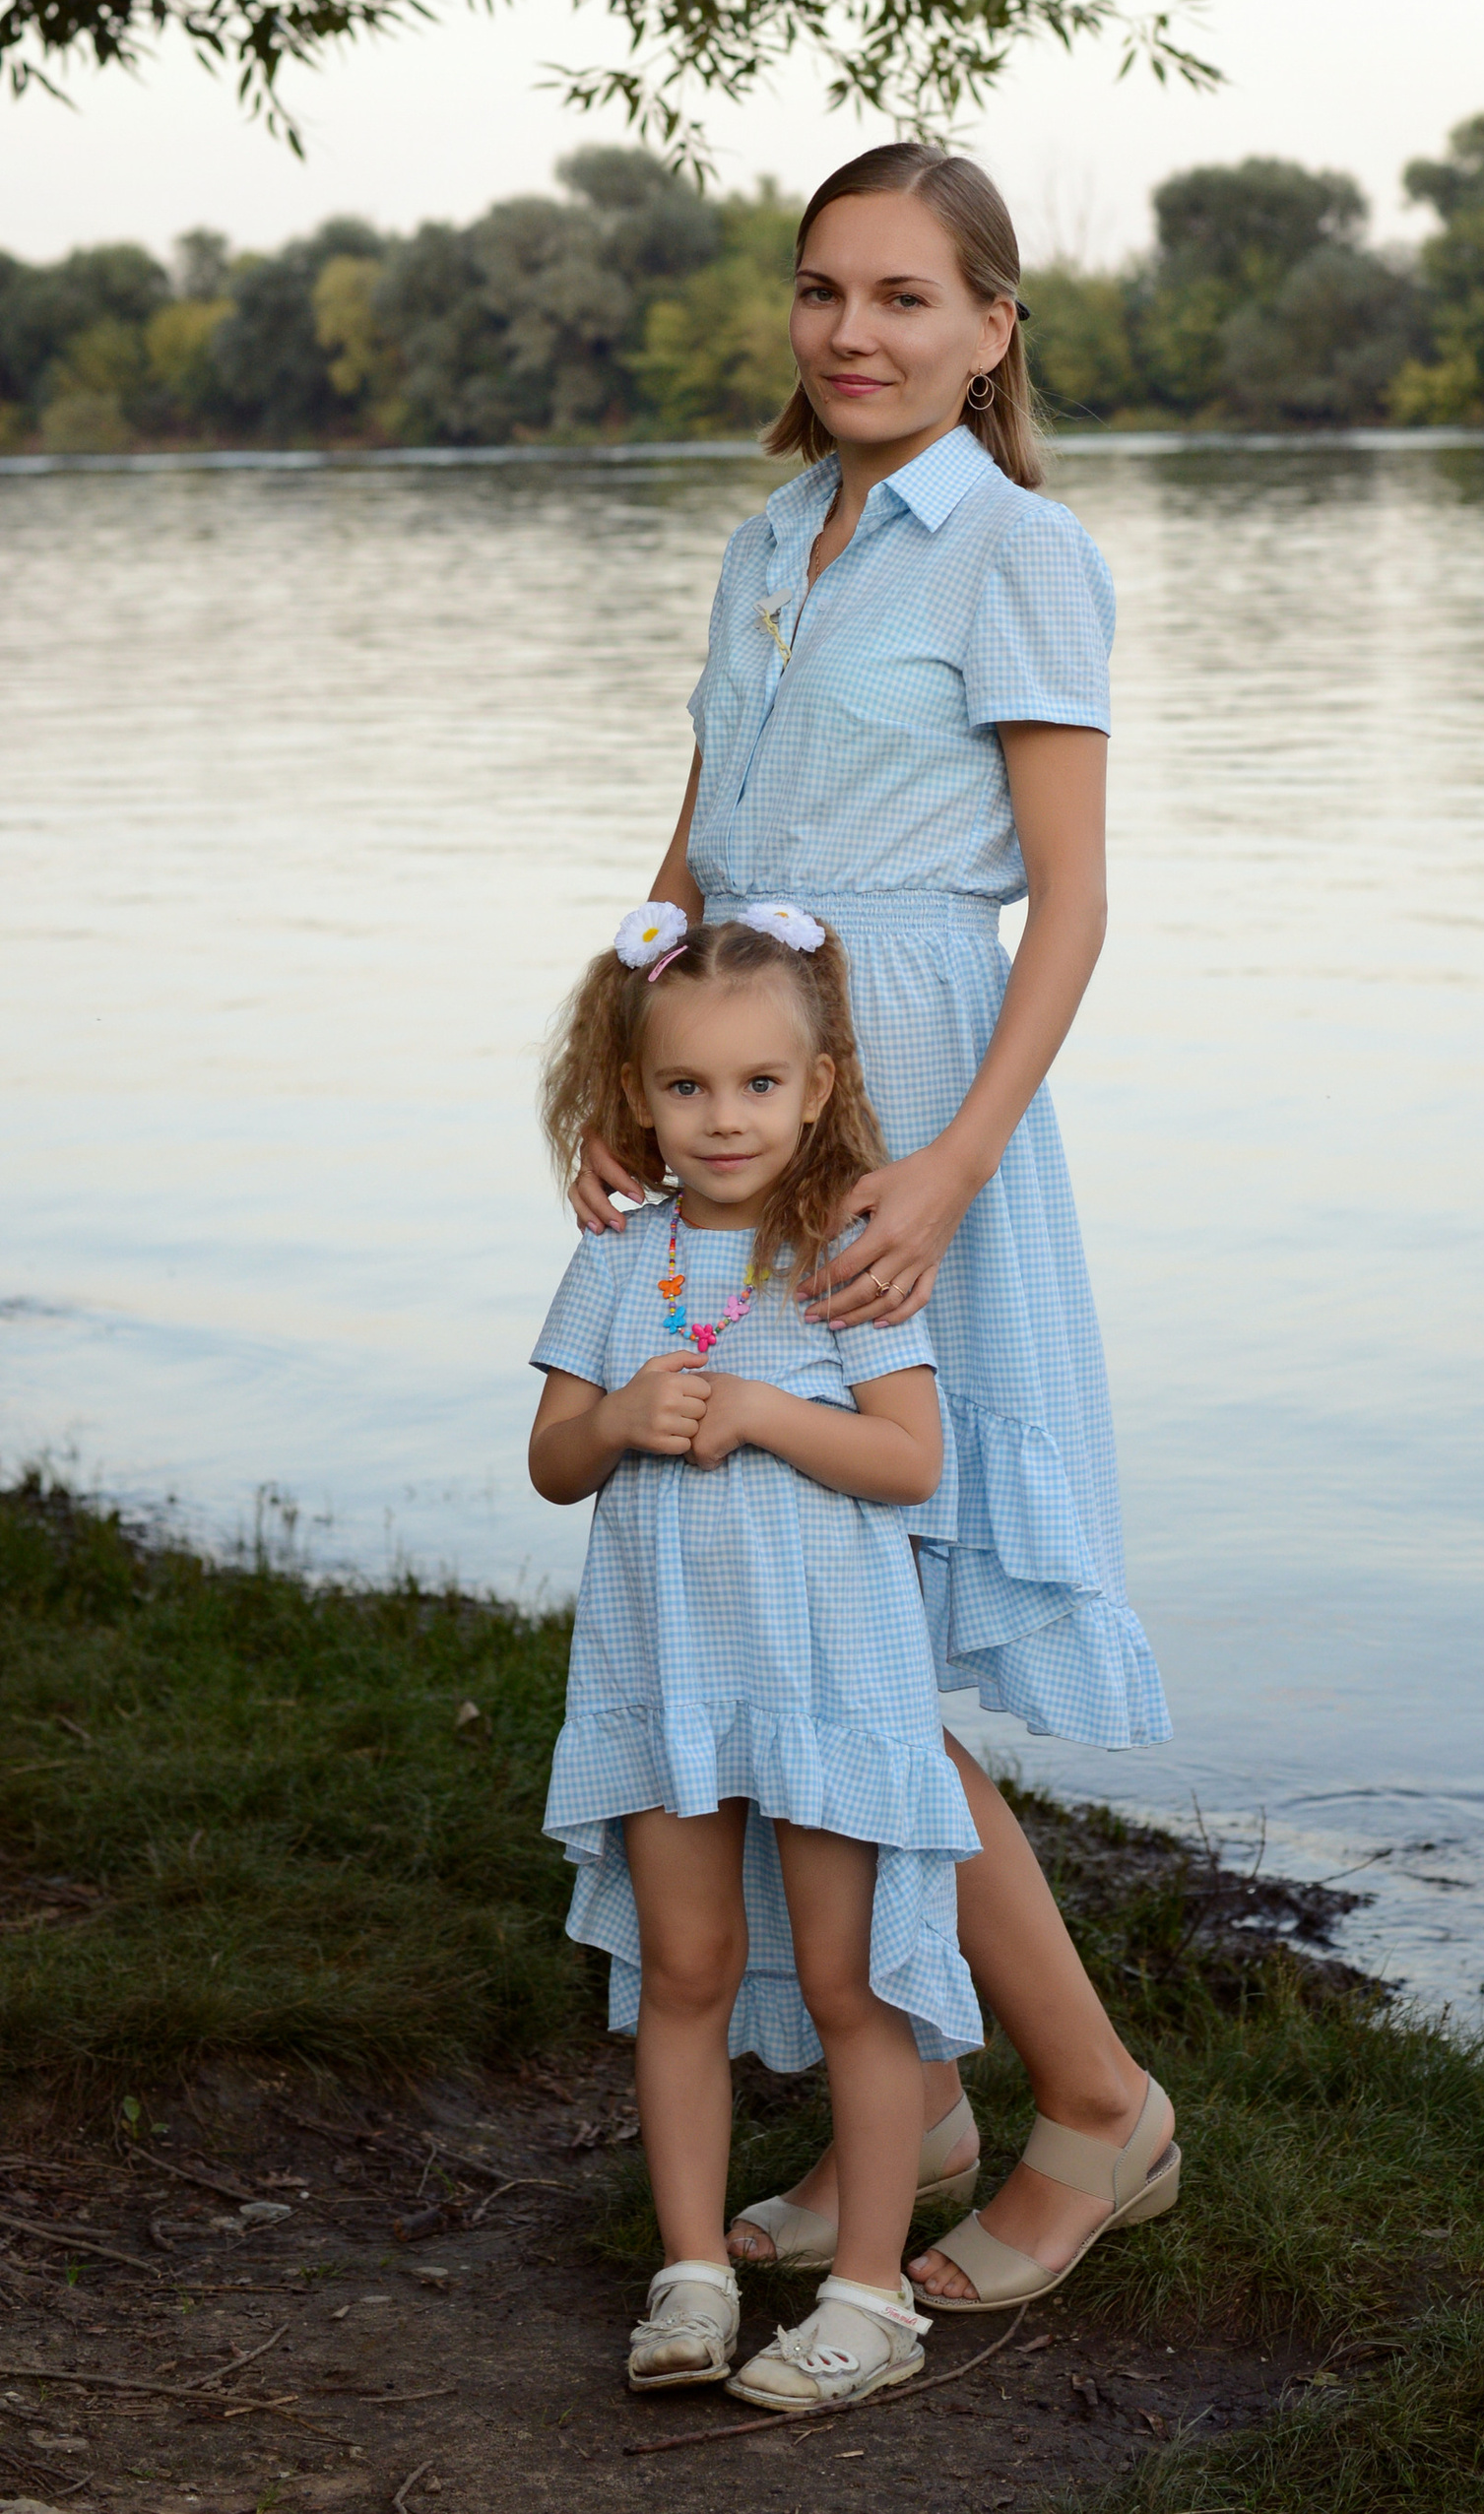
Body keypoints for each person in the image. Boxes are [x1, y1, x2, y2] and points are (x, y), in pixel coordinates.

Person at [565, 141, 1179, 2314]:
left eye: (907, 298)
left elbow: (1075, 898)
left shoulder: (1013, 551)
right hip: (745, 1080)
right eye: (824, 291)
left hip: (908, 1095)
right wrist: (617, 1047)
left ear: (993, 327)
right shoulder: (765, 537)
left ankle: (1093, 2108)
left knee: (853, 1651)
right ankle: (893, 2109)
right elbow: (705, 819)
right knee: (811, 1637)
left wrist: (942, 1164)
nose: (853, 332)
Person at [529, 902, 974, 2413]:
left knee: (854, 1983)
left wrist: (765, 1413)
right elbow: (550, 1461)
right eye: (688, 1088)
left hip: (829, 1683)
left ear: (821, 1089)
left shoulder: (848, 1255)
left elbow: (911, 1457)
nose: (725, 1119)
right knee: (688, 1965)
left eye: (759, 1085)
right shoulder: (617, 1263)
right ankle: (693, 2271)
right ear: (637, 1095)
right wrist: (615, 1419)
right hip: (670, 1680)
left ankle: (869, 2293)